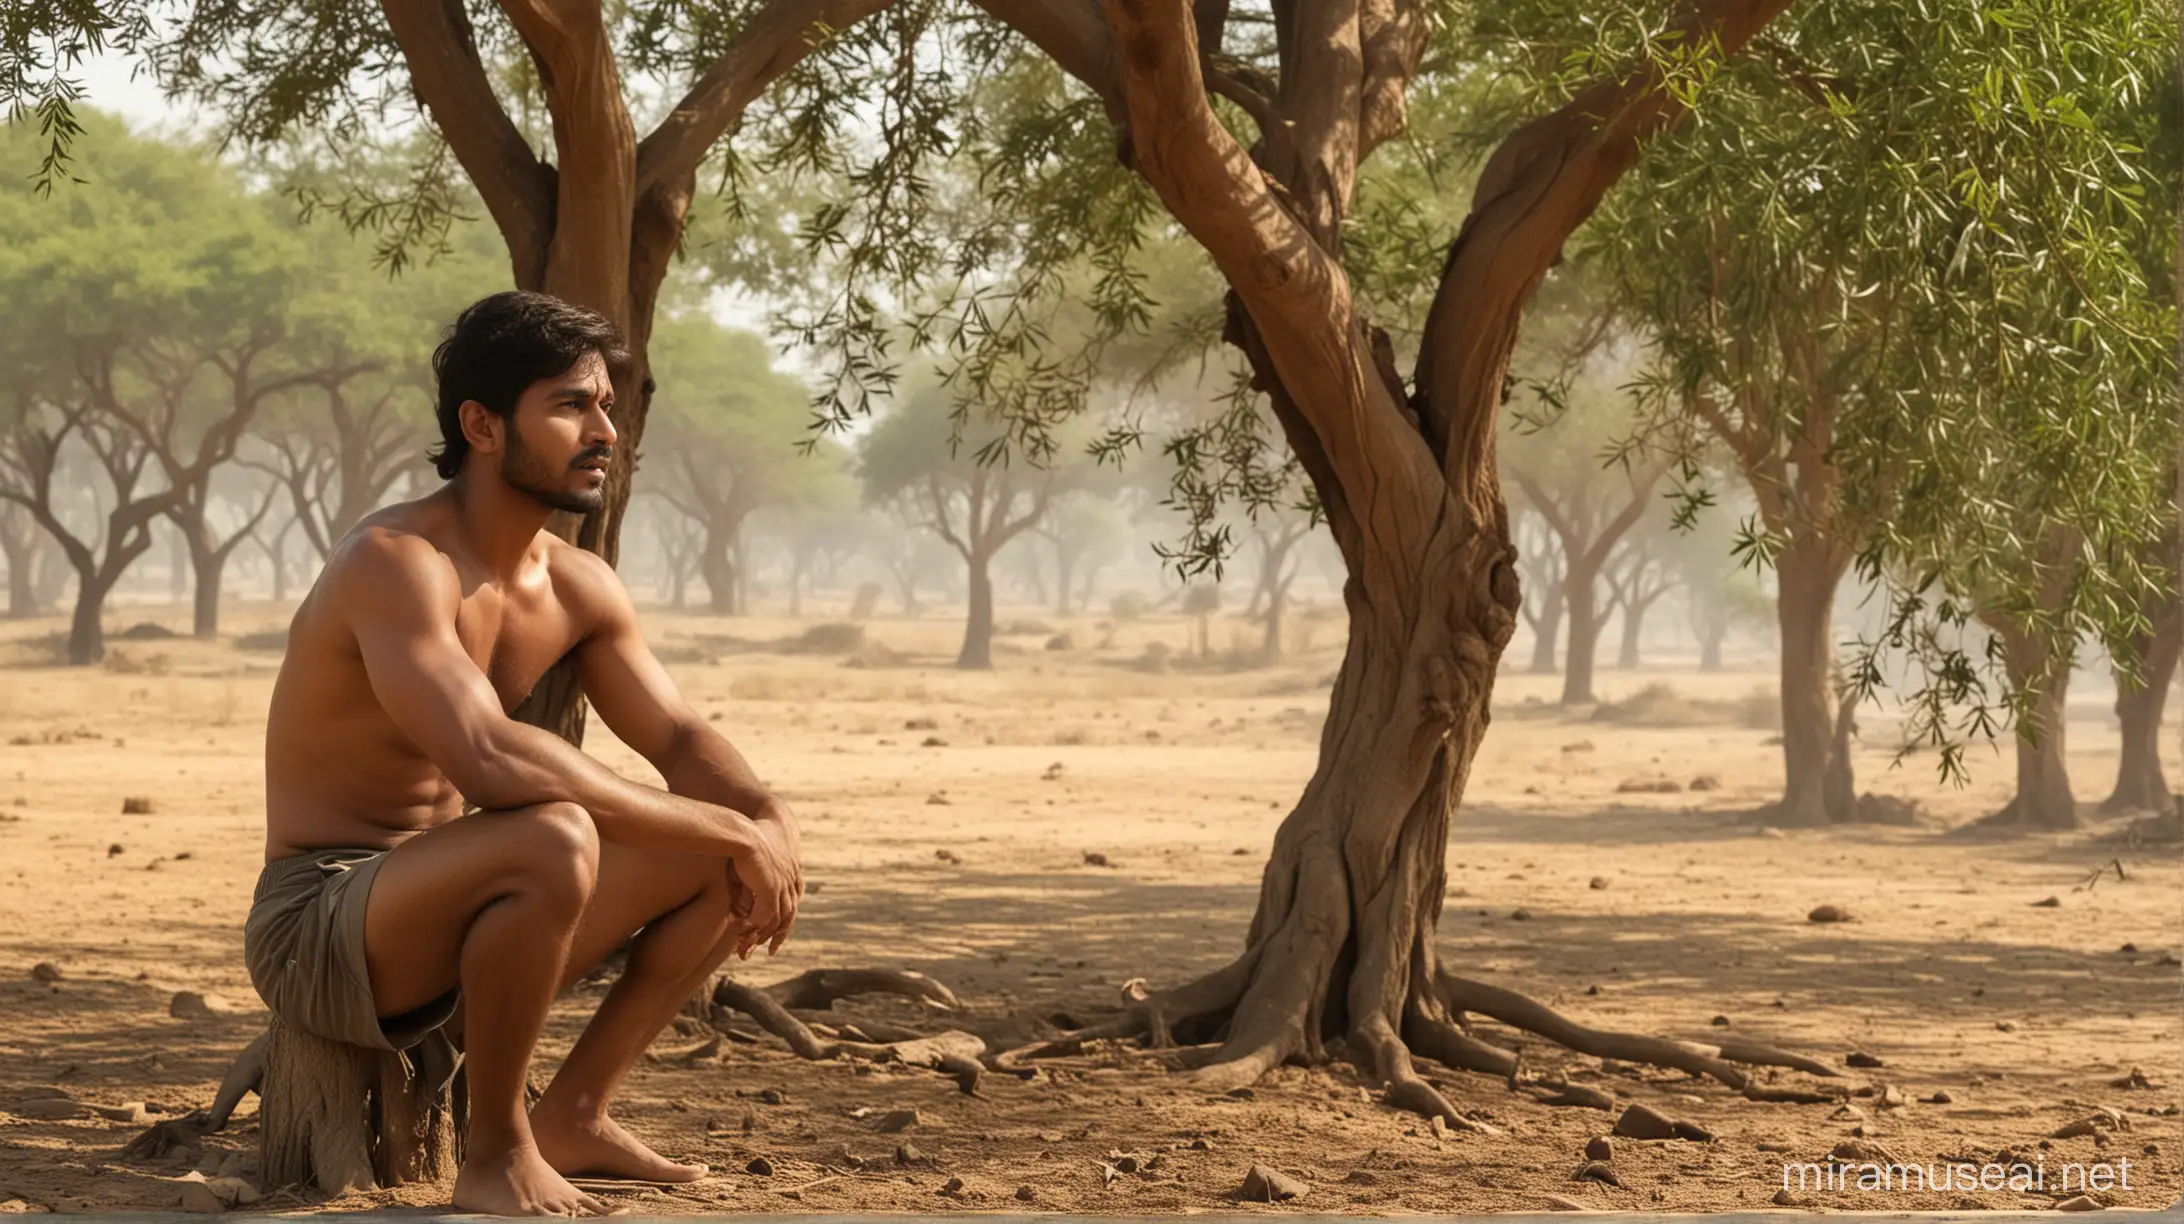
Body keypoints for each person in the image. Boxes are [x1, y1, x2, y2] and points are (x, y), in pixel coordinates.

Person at [247, 290, 802, 1217]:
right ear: (483, 425)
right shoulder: (394, 560)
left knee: (721, 849)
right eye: (570, 405)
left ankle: (574, 1114)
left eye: (608, 407)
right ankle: (495, 1155)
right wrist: (728, 825)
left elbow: (677, 735)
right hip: (320, 922)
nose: (605, 432)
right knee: (553, 835)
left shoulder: (577, 583)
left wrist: (764, 819)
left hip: (458, 909)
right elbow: (488, 756)